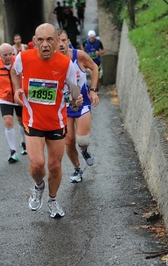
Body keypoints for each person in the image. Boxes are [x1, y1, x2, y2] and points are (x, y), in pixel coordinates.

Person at [11, 23, 83, 218]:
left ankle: (52, 200)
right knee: (37, 165)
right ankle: (38, 186)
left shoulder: (65, 64)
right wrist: (17, 88)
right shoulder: (23, 58)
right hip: (33, 120)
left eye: (49, 39)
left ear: (57, 41)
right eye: (40, 40)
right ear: (34, 41)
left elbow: (74, 88)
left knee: (54, 166)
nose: (45, 44)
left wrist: (77, 100)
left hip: (56, 122)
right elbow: (14, 71)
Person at [57, 29, 99, 183]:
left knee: (82, 140)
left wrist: (93, 91)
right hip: (64, 106)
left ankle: (85, 150)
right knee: (68, 141)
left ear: (69, 41)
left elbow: (94, 68)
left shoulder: (79, 56)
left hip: (82, 103)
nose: (61, 44)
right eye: (57, 41)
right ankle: (77, 169)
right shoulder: (51, 62)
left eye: (64, 40)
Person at [0, 43, 27, 163]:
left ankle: (23, 142)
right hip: (5, 98)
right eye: (5, 55)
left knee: (21, 121)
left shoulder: (19, 62)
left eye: (10, 54)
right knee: (8, 121)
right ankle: (13, 151)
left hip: (19, 96)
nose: (8, 57)